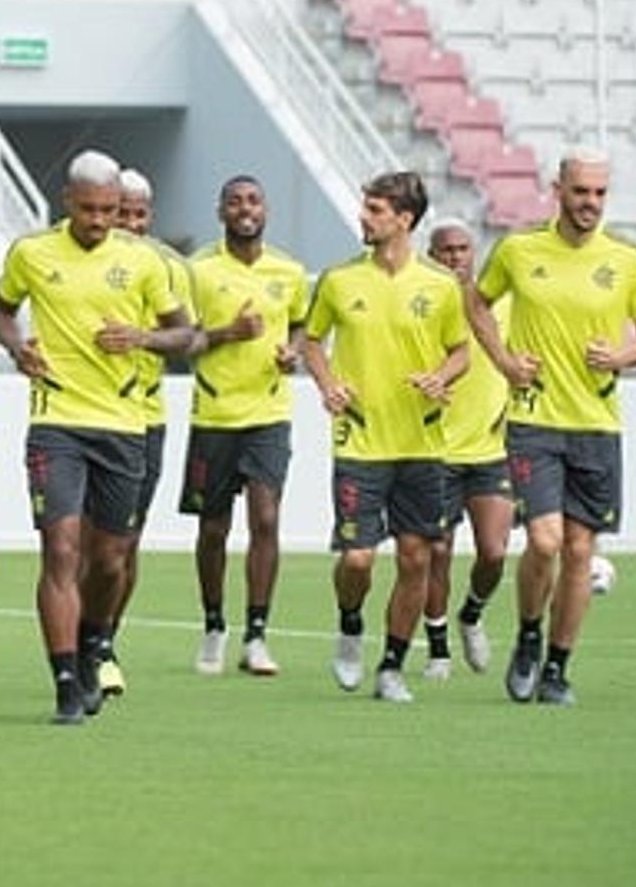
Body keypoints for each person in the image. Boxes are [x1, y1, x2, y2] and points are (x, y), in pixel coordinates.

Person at [0, 152, 194, 723]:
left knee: (108, 560)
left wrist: (142, 338)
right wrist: (16, 347)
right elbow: (3, 312)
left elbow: (185, 333)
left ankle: (92, 642)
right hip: (56, 420)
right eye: (90, 210)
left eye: (109, 210)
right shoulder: (32, 252)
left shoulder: (142, 262)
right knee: (59, 549)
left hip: (124, 426)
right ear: (67, 202)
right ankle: (63, 682)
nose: (101, 220)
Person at [464, 147, 636, 706]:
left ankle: (557, 668)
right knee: (546, 541)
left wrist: (623, 355)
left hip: (597, 425)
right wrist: (504, 361)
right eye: (581, 192)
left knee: (580, 552)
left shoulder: (626, 259)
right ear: (559, 190)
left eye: (600, 193)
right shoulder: (521, 250)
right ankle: (529, 635)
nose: (590, 203)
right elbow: (477, 303)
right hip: (533, 421)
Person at [301, 173, 470, 703]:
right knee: (357, 559)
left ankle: (392, 666)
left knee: (418, 558)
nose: (363, 217)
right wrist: (329, 385)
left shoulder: (440, 285)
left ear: (404, 220)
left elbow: (461, 351)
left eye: (375, 210)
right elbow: (310, 343)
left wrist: (442, 377)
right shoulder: (338, 280)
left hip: (420, 444)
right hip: (360, 441)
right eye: (365, 207)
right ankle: (350, 623)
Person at [179, 176, 309, 676]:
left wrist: (292, 350)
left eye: (253, 200)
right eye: (235, 201)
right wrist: (228, 333)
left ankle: (257, 634)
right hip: (215, 414)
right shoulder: (199, 271)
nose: (245, 208)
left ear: (266, 209)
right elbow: (183, 338)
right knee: (213, 529)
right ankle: (214, 624)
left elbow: (300, 323)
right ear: (221, 211)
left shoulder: (290, 271)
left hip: (269, 414)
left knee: (267, 519)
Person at [101, 167, 200, 696]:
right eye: (122, 213)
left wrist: (145, 338)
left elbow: (191, 339)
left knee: (124, 543)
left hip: (144, 419)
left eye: (140, 214)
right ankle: (76, 640)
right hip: (82, 418)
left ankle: (105, 641)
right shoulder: (82, 261)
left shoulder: (169, 269)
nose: (130, 224)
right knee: (76, 542)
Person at [423, 219, 512, 679]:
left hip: (490, 449)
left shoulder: (501, 304)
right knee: (436, 552)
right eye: (446, 251)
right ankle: (437, 649)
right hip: (435, 450)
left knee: (494, 552)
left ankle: (472, 614)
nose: (455, 257)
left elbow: (520, 358)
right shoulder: (421, 304)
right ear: (431, 256)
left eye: (463, 249)